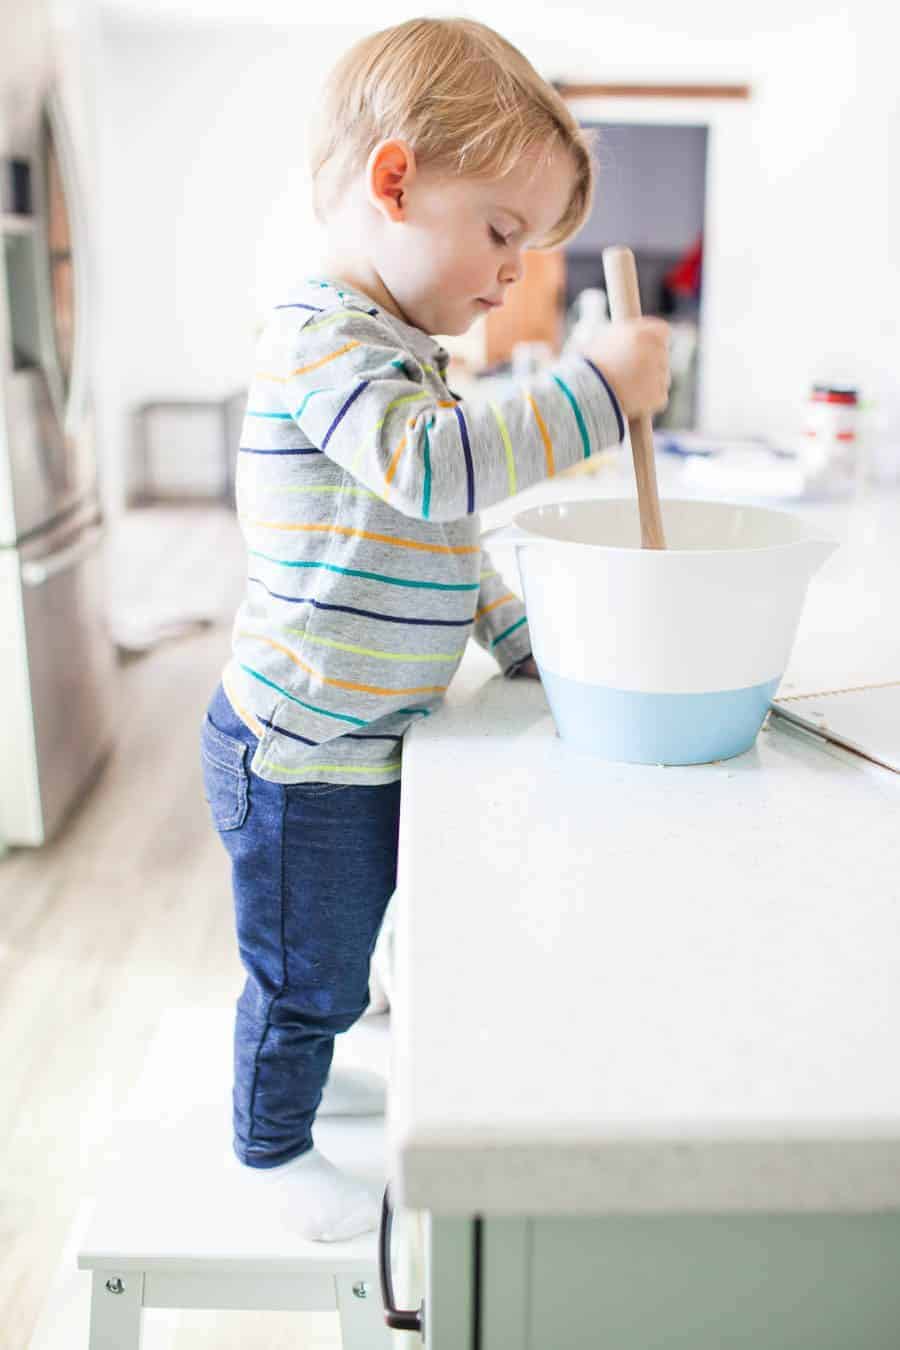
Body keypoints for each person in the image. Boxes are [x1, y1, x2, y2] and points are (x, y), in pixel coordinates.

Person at [200, 16, 670, 1243]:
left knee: (345, 955)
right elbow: (434, 476)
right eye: (503, 232)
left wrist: (523, 640)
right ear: (396, 181)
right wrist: (594, 392)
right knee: (302, 979)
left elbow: (438, 552)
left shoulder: (402, 353)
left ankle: (307, 1063)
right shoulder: (321, 341)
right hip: (299, 753)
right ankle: (268, 1147)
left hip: (359, 741)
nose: (515, 271)